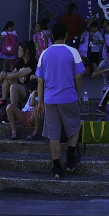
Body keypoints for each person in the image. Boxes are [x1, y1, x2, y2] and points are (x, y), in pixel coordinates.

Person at [36, 22, 84, 178]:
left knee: (53, 134)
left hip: (50, 99)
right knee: (74, 127)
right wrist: (78, 95)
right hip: (69, 96)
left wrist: (40, 101)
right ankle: (70, 159)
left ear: (51, 36)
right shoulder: (73, 51)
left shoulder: (44, 53)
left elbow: (40, 81)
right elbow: (78, 76)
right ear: (66, 35)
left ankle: (56, 167)